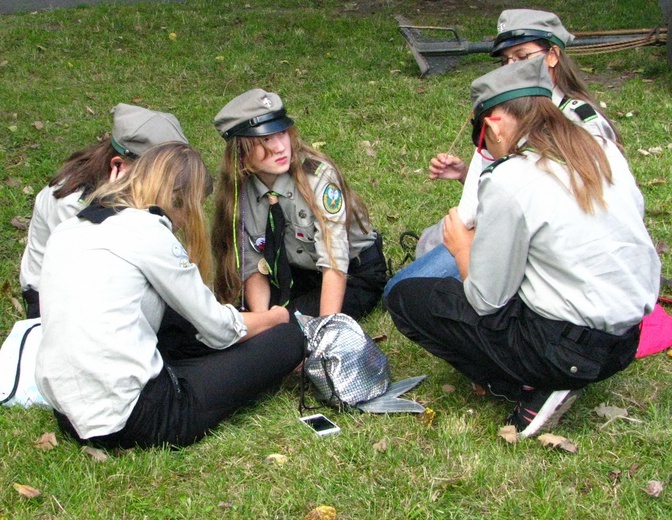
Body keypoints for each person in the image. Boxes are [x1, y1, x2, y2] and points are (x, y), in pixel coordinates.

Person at [386, 57, 660, 439]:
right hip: (627, 338)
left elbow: (486, 300)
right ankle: (550, 373)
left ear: (495, 123)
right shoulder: (599, 146)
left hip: (566, 351)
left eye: (482, 140)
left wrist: (462, 247)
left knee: (408, 297)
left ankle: (531, 387)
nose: (486, 151)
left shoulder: (511, 178)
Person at [35, 142, 304, 449]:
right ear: (181, 200)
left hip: (68, 414)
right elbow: (218, 328)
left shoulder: (71, 227)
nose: (188, 221)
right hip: (131, 420)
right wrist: (274, 318)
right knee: (286, 340)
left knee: (182, 324)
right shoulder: (149, 231)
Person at [384, 8, 620, 298]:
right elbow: (503, 187)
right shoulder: (509, 111)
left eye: (523, 57)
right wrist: (464, 176)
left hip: (545, 247)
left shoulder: (580, 121)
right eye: (506, 61)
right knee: (428, 244)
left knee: (401, 291)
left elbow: (595, 203)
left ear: (553, 55)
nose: (512, 69)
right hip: (500, 228)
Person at [212, 89, 387, 319]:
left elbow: (334, 261)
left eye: (281, 133)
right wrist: (262, 319)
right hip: (297, 274)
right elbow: (253, 265)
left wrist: (325, 327)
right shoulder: (241, 190)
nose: (280, 146)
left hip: (352, 273)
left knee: (292, 324)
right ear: (241, 153)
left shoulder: (317, 178)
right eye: (265, 139)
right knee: (236, 321)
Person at [19, 103, 189, 318]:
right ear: (120, 165)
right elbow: (91, 278)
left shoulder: (122, 184)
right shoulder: (73, 204)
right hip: (56, 303)